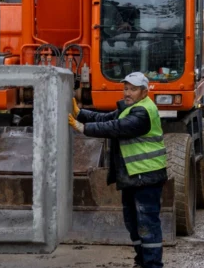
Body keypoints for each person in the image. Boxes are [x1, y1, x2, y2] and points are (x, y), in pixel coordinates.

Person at [68, 72, 167, 268]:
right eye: (126, 88)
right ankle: (142, 261)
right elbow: (106, 117)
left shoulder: (142, 112)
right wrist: (81, 113)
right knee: (133, 223)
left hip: (146, 177)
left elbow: (115, 127)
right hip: (133, 176)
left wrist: (82, 128)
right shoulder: (130, 108)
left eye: (133, 89)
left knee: (147, 224)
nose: (127, 93)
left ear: (144, 92)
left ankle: (153, 265)